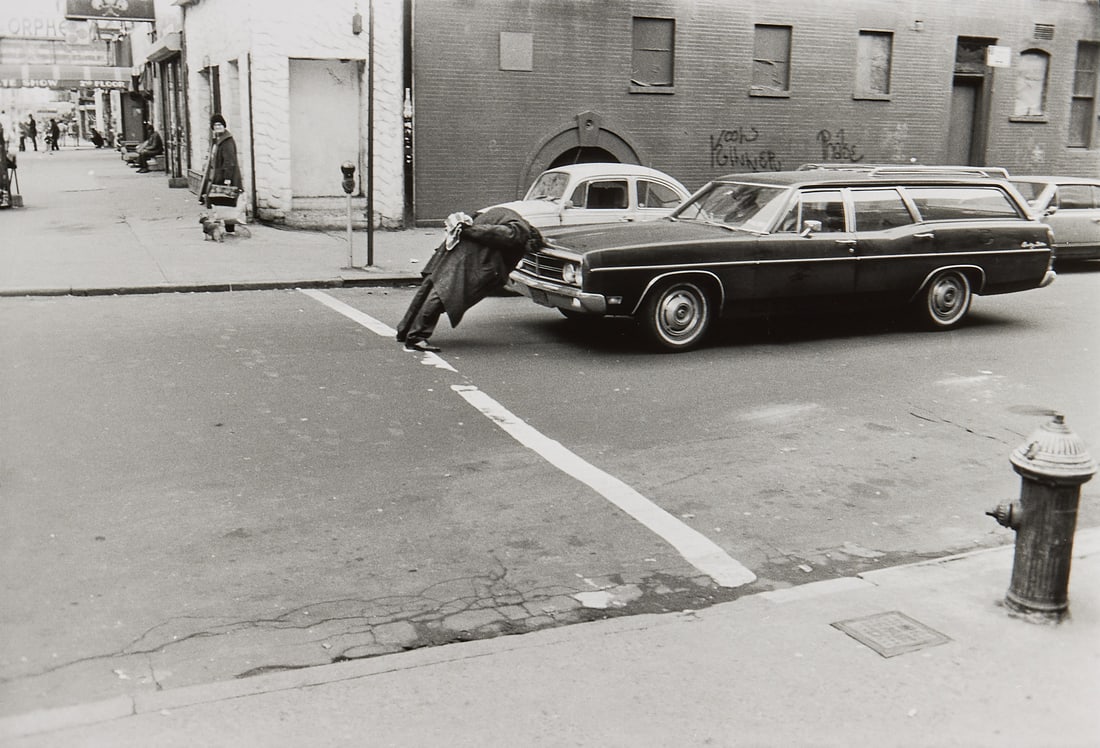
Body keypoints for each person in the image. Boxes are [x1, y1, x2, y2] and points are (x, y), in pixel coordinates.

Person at [396, 206, 543, 352]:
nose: (525, 252)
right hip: (468, 258)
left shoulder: (510, 215)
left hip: (457, 250)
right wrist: (467, 231)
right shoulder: (521, 232)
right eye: (529, 250)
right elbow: (495, 234)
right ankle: (416, 337)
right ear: (531, 240)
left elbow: (478, 217)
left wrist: (464, 230)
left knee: (429, 288)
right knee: (443, 295)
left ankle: (405, 330)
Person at [198, 113, 245, 233]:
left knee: (227, 201)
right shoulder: (218, 139)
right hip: (217, 175)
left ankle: (229, 228)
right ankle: (224, 227)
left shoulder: (227, 141)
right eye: (215, 125)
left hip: (225, 176)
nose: (218, 127)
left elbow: (229, 161)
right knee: (222, 201)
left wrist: (227, 179)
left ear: (224, 125)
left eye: (220, 124)